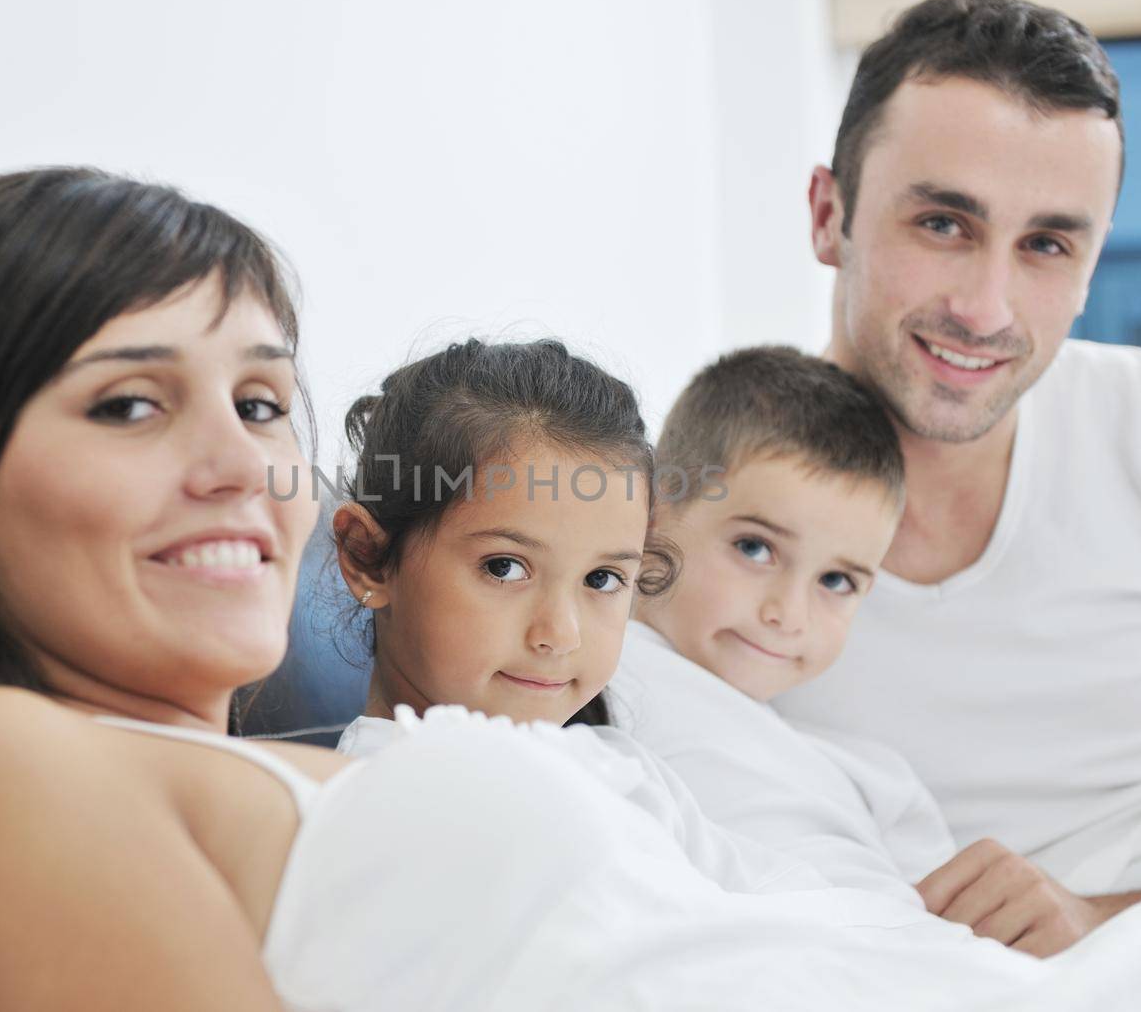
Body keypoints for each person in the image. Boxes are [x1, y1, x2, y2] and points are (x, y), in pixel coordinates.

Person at [0, 166, 1141, 1010]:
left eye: (265, 405)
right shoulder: (4, 758)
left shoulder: (361, 754)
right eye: (133, 406)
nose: (234, 464)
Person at [767, 0, 1141, 957]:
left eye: (1046, 244)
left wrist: (1103, 920)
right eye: (941, 224)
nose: (984, 306)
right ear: (826, 214)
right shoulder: (691, 523)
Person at [327, 337, 827, 897]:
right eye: (504, 568)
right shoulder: (385, 806)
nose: (561, 634)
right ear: (367, 558)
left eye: (602, 580)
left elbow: (785, 897)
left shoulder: (621, 767)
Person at [614, 344, 956, 903]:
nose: (788, 615)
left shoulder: (871, 775)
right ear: (650, 517)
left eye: (836, 582)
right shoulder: (594, 667)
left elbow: (954, 920)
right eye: (755, 548)